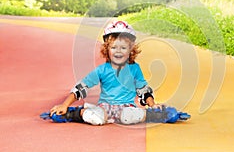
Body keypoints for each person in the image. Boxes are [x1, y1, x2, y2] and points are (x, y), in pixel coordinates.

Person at [41, 20, 190, 125]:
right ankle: (73, 113)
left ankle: (158, 115)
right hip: (104, 108)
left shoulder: (134, 69)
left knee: (129, 118)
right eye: (114, 47)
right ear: (107, 49)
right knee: (96, 119)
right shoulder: (102, 70)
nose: (118, 51)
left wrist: (152, 104)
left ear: (131, 50)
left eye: (123, 48)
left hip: (127, 108)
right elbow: (81, 87)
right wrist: (64, 105)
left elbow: (143, 90)